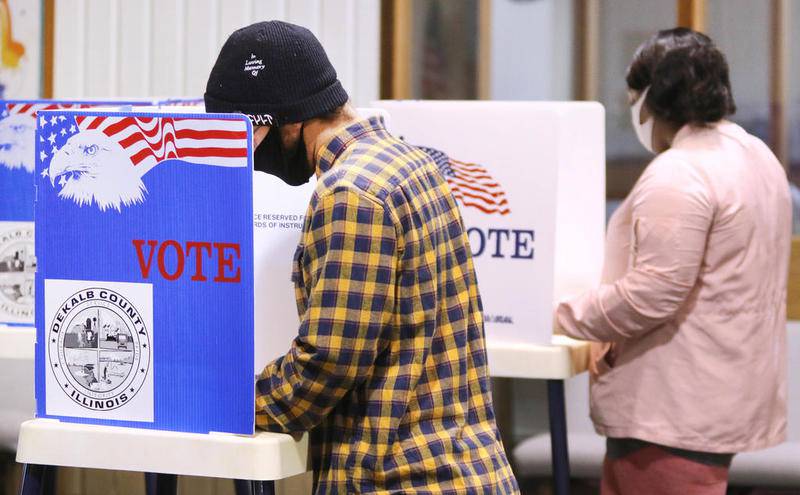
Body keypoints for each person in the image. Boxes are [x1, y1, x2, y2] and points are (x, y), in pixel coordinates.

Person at [205, 21, 518, 494]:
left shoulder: (350, 194)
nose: (250, 155)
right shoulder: (410, 164)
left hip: (402, 479)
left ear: (287, 121)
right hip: (460, 469)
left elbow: (327, 364)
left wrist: (220, 400)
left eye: (250, 135)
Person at [555, 28, 791, 495]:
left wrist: (562, 314)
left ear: (653, 98)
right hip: (720, 395)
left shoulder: (680, 173)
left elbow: (651, 295)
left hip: (669, 408)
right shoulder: (755, 154)